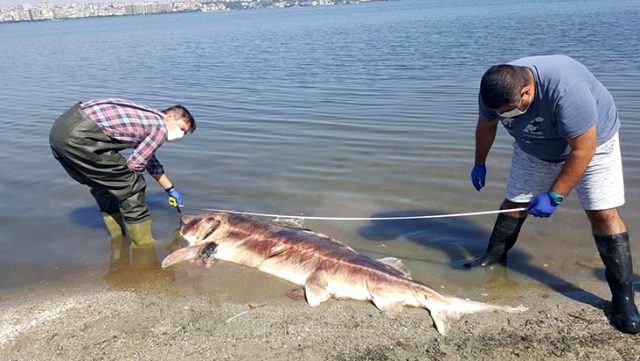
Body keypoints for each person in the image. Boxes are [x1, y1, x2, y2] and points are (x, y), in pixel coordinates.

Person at [465, 55, 639, 334]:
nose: (503, 116)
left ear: (527, 92)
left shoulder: (567, 91)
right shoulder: (494, 91)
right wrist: (479, 162)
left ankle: (623, 300)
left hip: (593, 145)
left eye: (509, 111)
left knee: (603, 213)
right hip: (533, 147)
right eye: (499, 112)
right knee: (514, 203)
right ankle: (494, 257)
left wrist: (555, 196)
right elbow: (486, 126)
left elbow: (583, 150)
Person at [49, 98, 195, 248]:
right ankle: (145, 247)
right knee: (132, 185)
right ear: (169, 117)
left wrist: (170, 189)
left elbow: (149, 159)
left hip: (61, 132)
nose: (180, 135)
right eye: (181, 129)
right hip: (82, 136)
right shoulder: (160, 127)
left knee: (102, 185)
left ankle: (118, 241)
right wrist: (132, 185)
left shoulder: (146, 117)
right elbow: (135, 164)